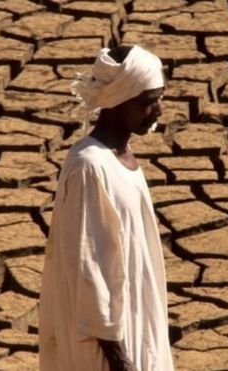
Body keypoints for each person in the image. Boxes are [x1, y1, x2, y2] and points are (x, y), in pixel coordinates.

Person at [38, 44, 174, 371]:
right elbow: (89, 268)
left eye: (160, 98)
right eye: (148, 102)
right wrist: (117, 357)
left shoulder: (121, 157)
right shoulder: (90, 166)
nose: (158, 110)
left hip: (137, 318)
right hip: (105, 345)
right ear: (117, 101)